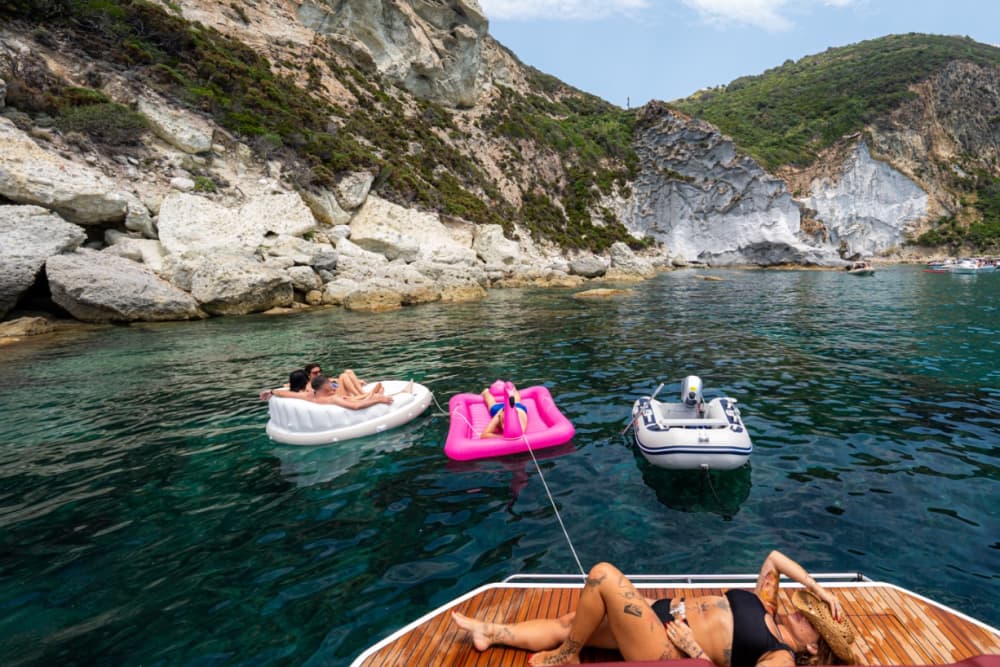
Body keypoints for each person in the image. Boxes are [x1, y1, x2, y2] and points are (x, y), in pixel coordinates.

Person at [450, 549, 858, 666]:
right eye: (810, 610)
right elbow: (773, 559)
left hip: (667, 648)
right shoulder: (767, 605)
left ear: (811, 648)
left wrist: (696, 654)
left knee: (604, 575)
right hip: (658, 614)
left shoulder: (781, 656)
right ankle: (491, 632)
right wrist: (818, 589)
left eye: (812, 624)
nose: (804, 613)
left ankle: (566, 658)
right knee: (573, 620)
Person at [309, 375, 393, 409]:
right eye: (328, 383)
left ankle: (370, 394)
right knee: (378, 394)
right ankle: (372, 394)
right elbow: (355, 406)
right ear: (324, 386)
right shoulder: (332, 398)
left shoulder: (314, 397)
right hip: (354, 404)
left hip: (345, 400)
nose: (330, 384)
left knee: (379, 388)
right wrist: (379, 400)